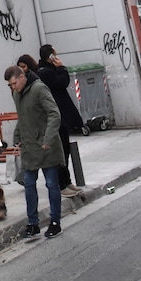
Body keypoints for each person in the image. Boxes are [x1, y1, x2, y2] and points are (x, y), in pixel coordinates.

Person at [4, 63, 64, 240]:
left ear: (22, 77)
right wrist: (17, 135)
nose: (13, 88)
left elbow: (54, 114)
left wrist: (48, 139)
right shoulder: (17, 94)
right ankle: (33, 223)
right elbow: (23, 117)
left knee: (51, 184)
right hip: (29, 147)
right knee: (29, 184)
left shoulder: (39, 88)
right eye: (10, 85)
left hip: (46, 146)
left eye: (14, 83)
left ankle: (55, 222)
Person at [37, 44, 84, 197]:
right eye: (54, 54)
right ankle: (61, 184)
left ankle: (67, 181)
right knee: (60, 152)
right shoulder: (45, 72)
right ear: (50, 56)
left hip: (61, 116)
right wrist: (62, 68)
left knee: (65, 150)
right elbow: (62, 82)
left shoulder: (49, 70)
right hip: (56, 117)